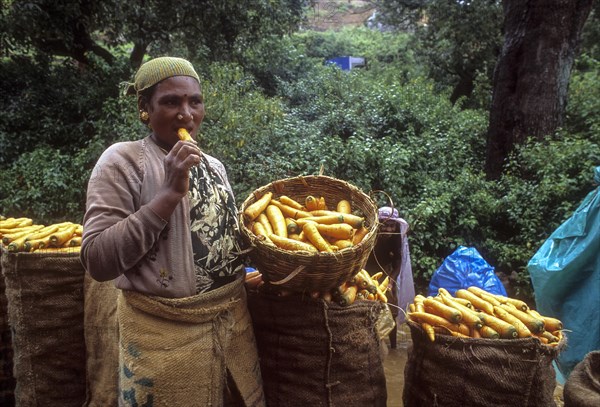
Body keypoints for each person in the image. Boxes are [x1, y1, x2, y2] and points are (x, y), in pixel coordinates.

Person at [80, 56, 265, 406]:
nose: (186, 114)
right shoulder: (122, 161)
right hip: (163, 339)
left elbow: (224, 241)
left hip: (231, 329)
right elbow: (97, 260)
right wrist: (167, 195)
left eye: (194, 101)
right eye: (170, 102)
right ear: (144, 108)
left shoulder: (214, 166)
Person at [364, 206, 415, 349]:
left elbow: (398, 263)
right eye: (385, 225)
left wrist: (391, 281)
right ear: (378, 224)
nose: (388, 229)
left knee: (391, 307)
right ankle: (369, 340)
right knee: (366, 305)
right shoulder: (368, 236)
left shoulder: (395, 238)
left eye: (392, 226)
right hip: (366, 273)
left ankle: (393, 346)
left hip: (386, 273)